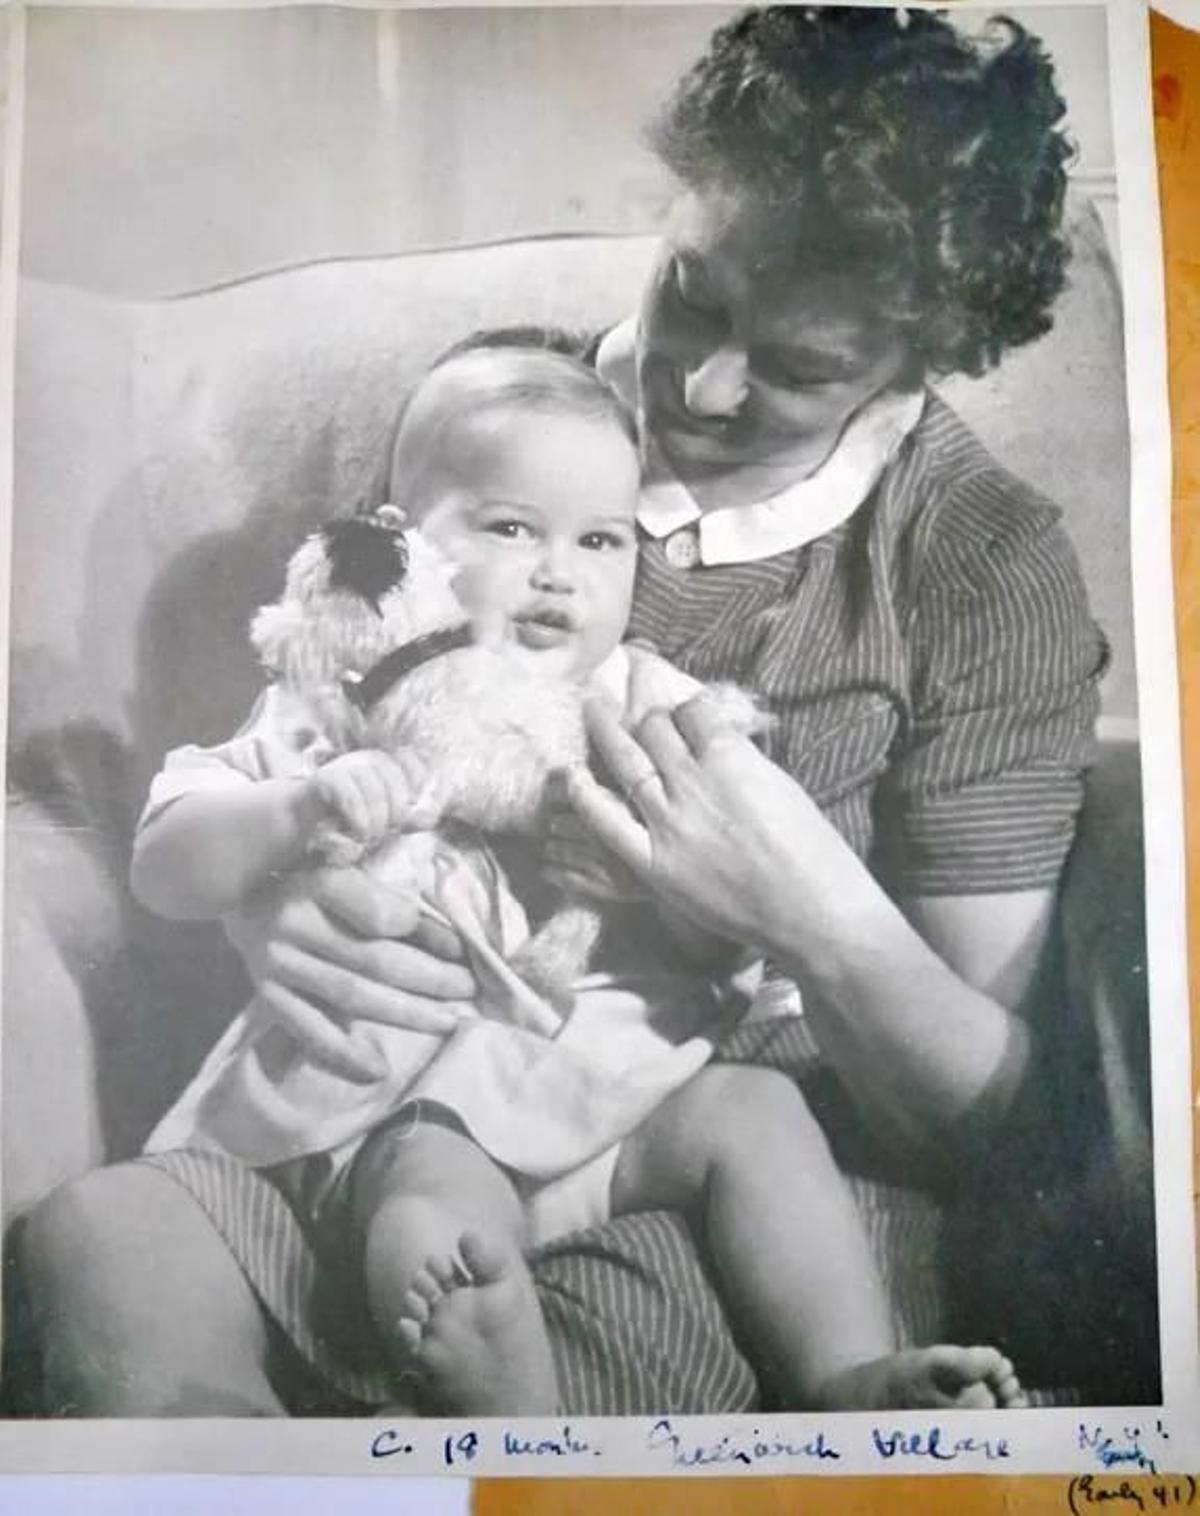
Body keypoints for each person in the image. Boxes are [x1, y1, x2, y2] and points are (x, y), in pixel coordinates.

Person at [22, 6, 1104, 1416]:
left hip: (664, 1169)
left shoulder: (977, 559)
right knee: (100, 1248)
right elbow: (298, 713)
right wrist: (274, 886)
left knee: (528, 1359)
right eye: (697, 291)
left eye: (804, 368)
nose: (700, 388)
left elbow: (987, 1125)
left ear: (925, 358)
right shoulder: (477, 414)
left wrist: (801, 905)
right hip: (331, 1119)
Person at [128, 344, 1024, 1415]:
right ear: (402, 542)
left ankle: (847, 1373)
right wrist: (290, 817)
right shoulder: (343, 692)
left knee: (756, 1110)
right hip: (394, 1110)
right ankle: (517, 1420)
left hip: (603, 1099)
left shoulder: (642, 700)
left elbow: (727, 937)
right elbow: (165, 859)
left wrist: (658, 883)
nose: (562, 570)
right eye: (511, 528)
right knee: (431, 1188)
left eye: (602, 539)